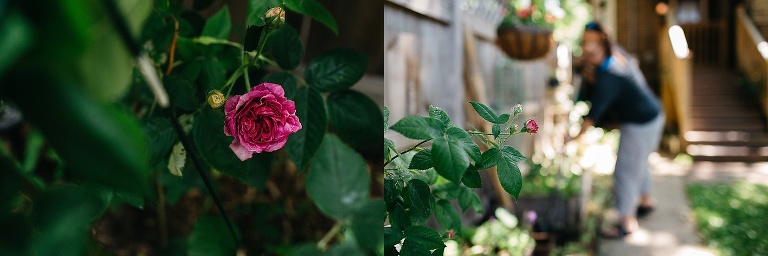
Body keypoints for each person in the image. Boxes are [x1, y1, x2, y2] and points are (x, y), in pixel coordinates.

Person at [569, 21, 665, 238]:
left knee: (625, 171)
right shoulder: (616, 56)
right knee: (638, 163)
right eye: (584, 42)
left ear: (600, 44)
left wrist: (573, 137)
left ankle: (626, 223)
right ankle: (646, 201)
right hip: (653, 114)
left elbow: (593, 116)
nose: (585, 49)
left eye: (589, 43)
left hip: (641, 123)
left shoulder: (608, 77)